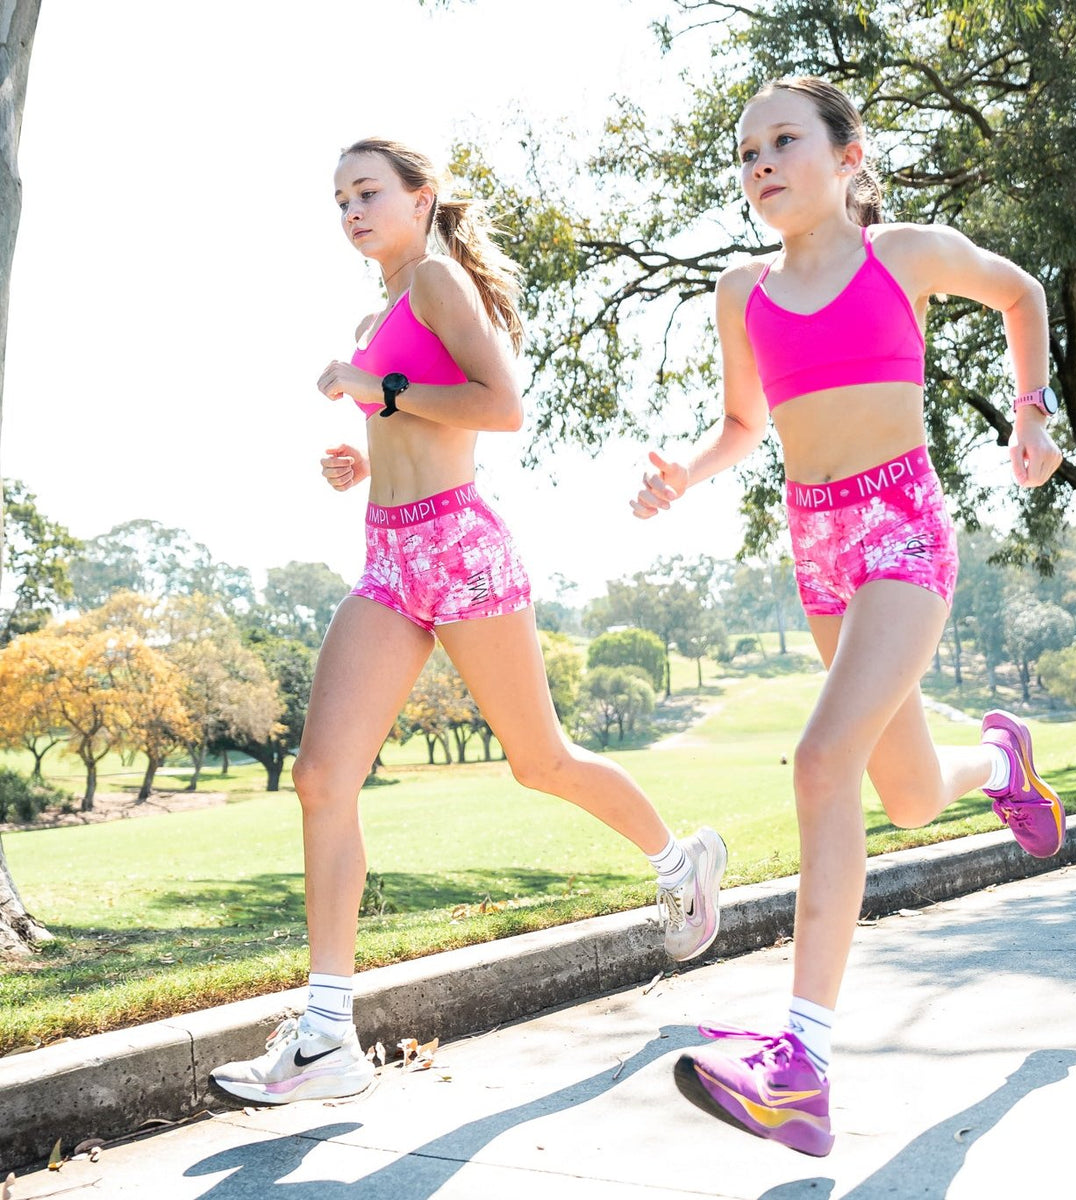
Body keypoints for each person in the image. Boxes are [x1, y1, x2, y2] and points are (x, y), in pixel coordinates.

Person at [210, 138, 726, 1106]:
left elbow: (504, 407)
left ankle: (680, 861)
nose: (353, 212)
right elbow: (413, 426)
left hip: (460, 547)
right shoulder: (375, 315)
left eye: (368, 193)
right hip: (389, 557)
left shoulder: (437, 284)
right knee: (322, 776)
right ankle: (327, 1033)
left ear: (420, 198)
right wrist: (359, 456)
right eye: (340, 201)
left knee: (542, 762)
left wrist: (379, 391)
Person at [630, 78, 1065, 1157]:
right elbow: (743, 423)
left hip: (904, 529)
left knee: (822, 761)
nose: (762, 163)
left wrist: (1031, 414)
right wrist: (685, 472)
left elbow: (1022, 295)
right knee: (910, 794)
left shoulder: (905, 256)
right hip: (817, 542)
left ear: (847, 155)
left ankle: (802, 1066)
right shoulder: (742, 293)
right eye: (745, 153)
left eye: (784, 141)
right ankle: (1001, 764)